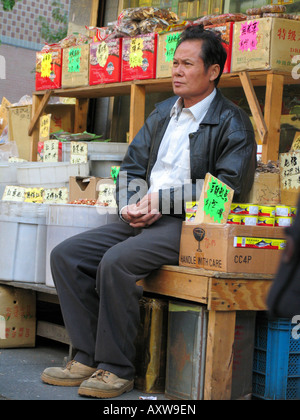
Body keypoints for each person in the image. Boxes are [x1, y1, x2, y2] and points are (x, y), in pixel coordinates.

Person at [41, 24, 257, 399]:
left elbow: (226, 190)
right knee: (67, 255)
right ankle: (87, 356)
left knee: (117, 262)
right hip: (144, 216)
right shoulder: (162, 113)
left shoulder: (231, 121)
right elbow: (131, 168)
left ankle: (117, 368)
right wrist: (130, 205)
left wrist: (163, 202)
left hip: (191, 226)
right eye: (175, 63)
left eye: (187, 64)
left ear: (213, 71)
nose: (176, 71)